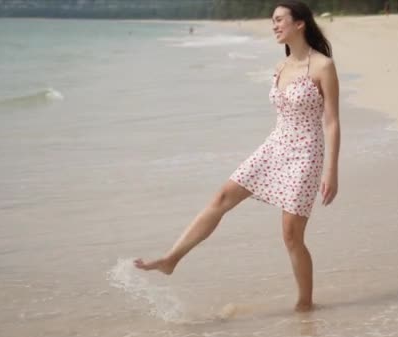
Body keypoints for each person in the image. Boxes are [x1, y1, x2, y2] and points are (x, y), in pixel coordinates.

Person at [135, 0, 340, 313]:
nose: (274, 25)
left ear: (299, 24)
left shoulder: (323, 66)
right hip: (274, 145)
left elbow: (332, 121)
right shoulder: (280, 66)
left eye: (279, 20)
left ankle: (304, 304)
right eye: (273, 20)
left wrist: (331, 171)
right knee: (221, 198)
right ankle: (170, 259)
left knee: (291, 235)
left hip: (306, 154)